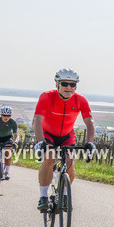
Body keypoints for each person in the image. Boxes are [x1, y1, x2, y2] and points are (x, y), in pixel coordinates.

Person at [32, 69, 95, 211]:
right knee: (49, 158)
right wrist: (41, 142)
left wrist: (89, 142)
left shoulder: (81, 100)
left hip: (67, 135)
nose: (69, 87)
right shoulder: (47, 97)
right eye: (65, 84)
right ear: (57, 84)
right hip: (47, 133)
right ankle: (43, 196)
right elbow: (37, 121)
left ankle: (65, 195)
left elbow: (90, 123)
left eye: (73, 85)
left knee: (70, 161)